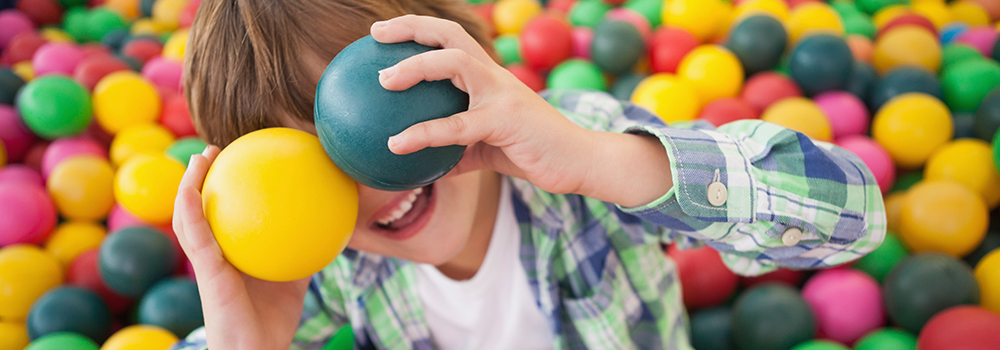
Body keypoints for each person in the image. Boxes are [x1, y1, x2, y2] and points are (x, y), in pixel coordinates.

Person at [171, 0, 886, 349]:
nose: (368, 183)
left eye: (381, 125)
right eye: (307, 171)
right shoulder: (320, 269)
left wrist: (605, 164)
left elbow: (854, 214)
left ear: (463, 65)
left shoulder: (582, 148)